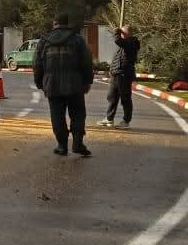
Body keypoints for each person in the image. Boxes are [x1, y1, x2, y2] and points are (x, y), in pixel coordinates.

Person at [33, 12, 94, 157]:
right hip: (75, 84)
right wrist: (87, 81)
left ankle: (62, 146)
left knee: (57, 115)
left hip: (52, 85)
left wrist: (39, 82)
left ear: (54, 24)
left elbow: (36, 63)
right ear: (68, 24)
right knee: (78, 114)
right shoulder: (77, 39)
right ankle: (78, 143)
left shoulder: (44, 41)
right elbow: (87, 62)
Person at [99, 24, 141, 129]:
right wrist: (111, 71)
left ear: (128, 33)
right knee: (111, 97)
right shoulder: (124, 44)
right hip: (116, 74)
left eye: (123, 32)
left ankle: (126, 120)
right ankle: (109, 118)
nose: (121, 34)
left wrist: (116, 32)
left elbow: (118, 41)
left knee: (125, 98)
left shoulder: (132, 42)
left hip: (124, 74)